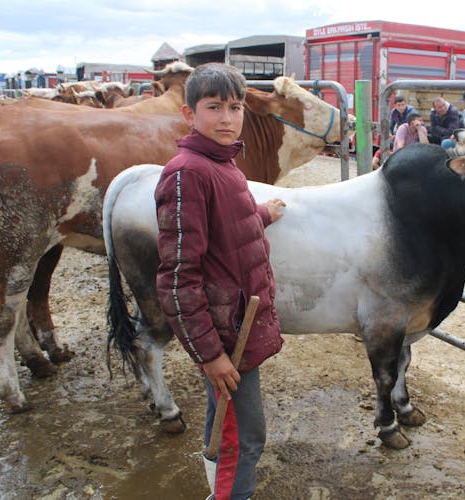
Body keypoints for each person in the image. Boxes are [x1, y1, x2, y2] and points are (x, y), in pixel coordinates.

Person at [154, 62, 285, 500]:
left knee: (224, 426)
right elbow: (177, 279)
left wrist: (263, 214)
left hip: (235, 334)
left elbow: (223, 229)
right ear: (190, 115)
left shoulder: (222, 164)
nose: (227, 118)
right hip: (227, 339)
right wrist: (211, 356)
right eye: (214, 107)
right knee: (243, 441)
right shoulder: (187, 173)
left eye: (235, 106)